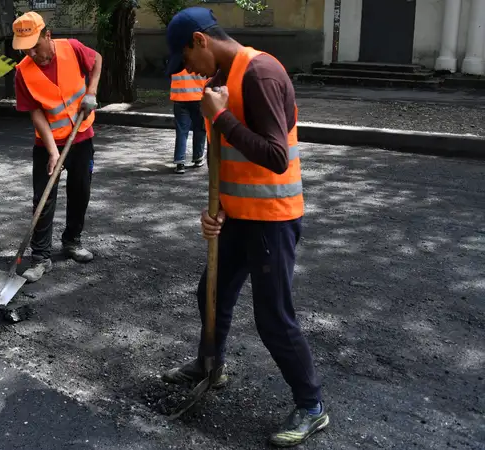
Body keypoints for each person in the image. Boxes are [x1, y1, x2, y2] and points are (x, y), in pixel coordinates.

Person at [160, 7, 328, 447]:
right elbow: (228, 160)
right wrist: (217, 209)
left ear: (200, 40)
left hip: (272, 218)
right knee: (211, 294)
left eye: (186, 60)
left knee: (273, 318)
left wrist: (221, 118)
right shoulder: (220, 80)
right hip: (237, 216)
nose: (189, 71)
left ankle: (312, 405)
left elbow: (275, 156)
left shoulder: (261, 74)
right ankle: (210, 365)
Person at [11, 11, 102, 283]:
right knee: (43, 197)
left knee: (80, 191)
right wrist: (53, 151)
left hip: (81, 136)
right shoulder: (22, 72)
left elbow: (97, 60)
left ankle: (72, 241)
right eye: (26, 50)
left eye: (35, 46)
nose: (32, 54)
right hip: (47, 143)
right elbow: (36, 113)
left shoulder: (72, 48)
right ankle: (41, 257)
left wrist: (91, 92)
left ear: (47, 35)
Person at [169, 68, 208, 174]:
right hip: (198, 97)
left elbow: (168, 71)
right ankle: (198, 157)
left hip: (180, 97)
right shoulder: (202, 58)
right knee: (200, 128)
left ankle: (180, 162)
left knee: (181, 131)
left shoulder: (177, 59)